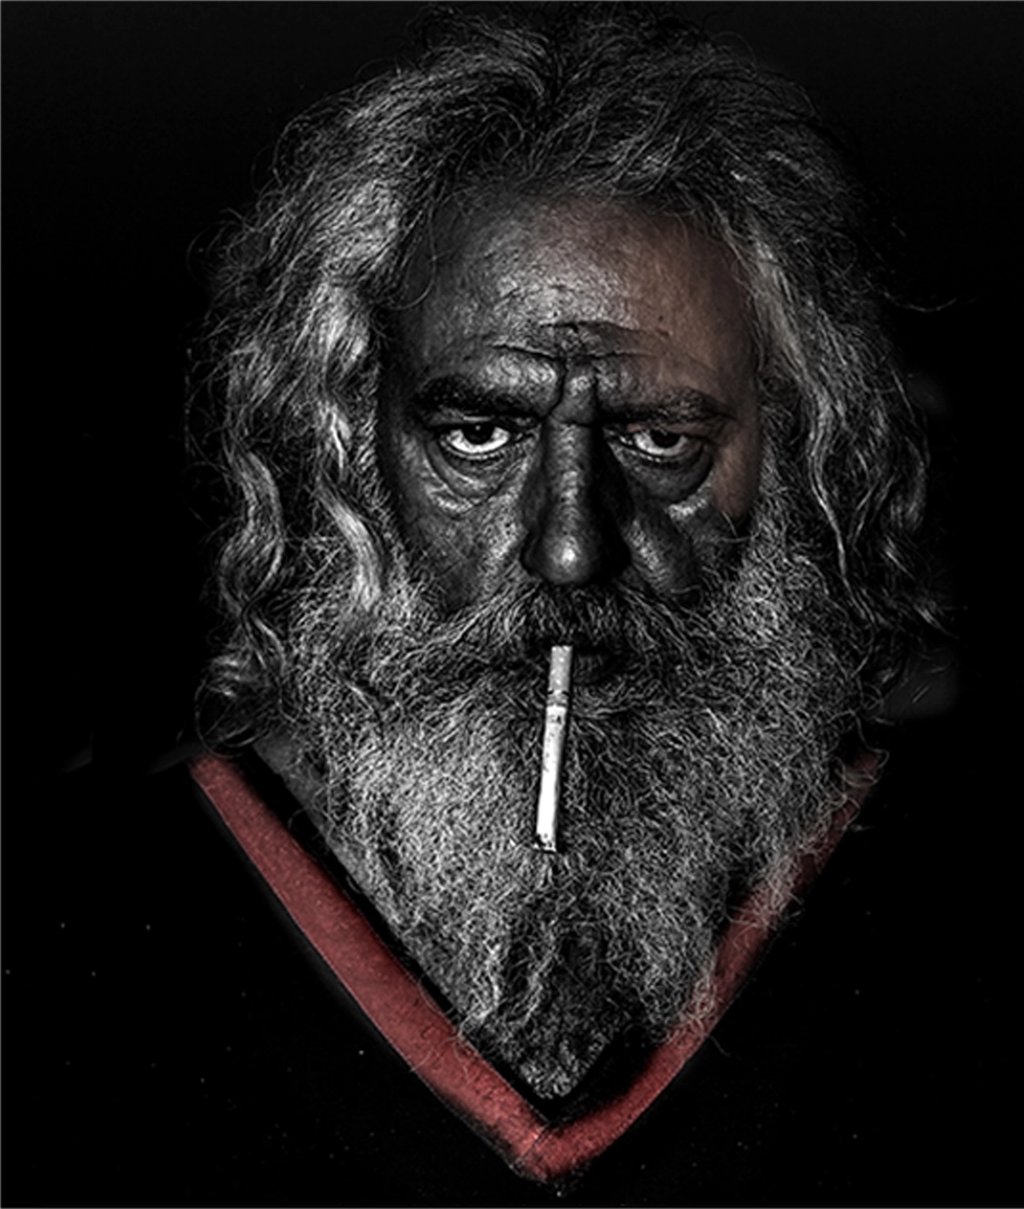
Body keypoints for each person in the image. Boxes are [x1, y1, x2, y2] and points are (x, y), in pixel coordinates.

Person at [6, 5, 1013, 1206]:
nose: (571, 548)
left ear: (795, 455)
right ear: (347, 444)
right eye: (478, 435)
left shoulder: (958, 926)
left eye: (659, 440)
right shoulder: (60, 941)